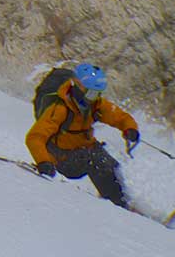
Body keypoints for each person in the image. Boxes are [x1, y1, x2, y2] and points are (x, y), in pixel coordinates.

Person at [25, 62, 141, 208]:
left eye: (98, 93)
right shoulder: (60, 109)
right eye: (91, 93)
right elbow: (35, 137)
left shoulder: (95, 104)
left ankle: (122, 199)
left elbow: (119, 116)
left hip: (82, 150)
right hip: (62, 158)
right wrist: (43, 162)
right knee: (96, 160)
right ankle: (117, 203)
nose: (94, 98)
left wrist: (130, 128)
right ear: (78, 87)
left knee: (110, 162)